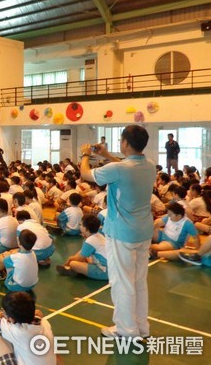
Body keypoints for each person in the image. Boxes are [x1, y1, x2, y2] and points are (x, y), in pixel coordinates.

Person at [80, 125, 156, 338]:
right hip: (143, 231)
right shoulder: (149, 166)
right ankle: (141, 327)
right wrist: (105, 155)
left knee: (122, 282)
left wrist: (86, 154)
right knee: (139, 281)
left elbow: (86, 174)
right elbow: (124, 167)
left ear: (124, 143)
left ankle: (126, 330)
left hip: (122, 233)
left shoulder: (120, 169)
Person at [0, 292, 55, 365]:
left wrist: (3, 313)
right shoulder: (44, 322)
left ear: (12, 319)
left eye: (3, 311)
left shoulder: (17, 331)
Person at [56, 215, 108, 280]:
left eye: (80, 225)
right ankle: (80, 270)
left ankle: (74, 270)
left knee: (73, 264)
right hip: (110, 269)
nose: (79, 226)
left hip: (104, 272)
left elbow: (79, 258)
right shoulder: (99, 236)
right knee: (87, 257)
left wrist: (70, 259)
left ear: (86, 228)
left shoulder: (90, 240)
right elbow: (82, 252)